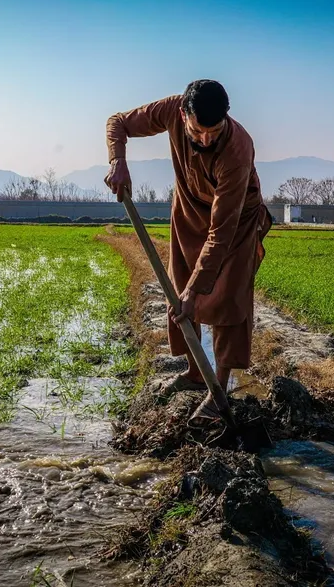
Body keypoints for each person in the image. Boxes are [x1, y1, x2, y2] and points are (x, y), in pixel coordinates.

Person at [104, 79, 272, 426]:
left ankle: (218, 391)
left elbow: (221, 232)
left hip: (236, 223)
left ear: (226, 118)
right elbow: (117, 122)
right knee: (179, 292)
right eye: (198, 131)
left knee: (227, 300)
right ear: (183, 116)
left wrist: (198, 291)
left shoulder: (238, 150)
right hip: (188, 211)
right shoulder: (169, 110)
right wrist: (117, 161)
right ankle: (196, 373)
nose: (206, 139)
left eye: (214, 131)